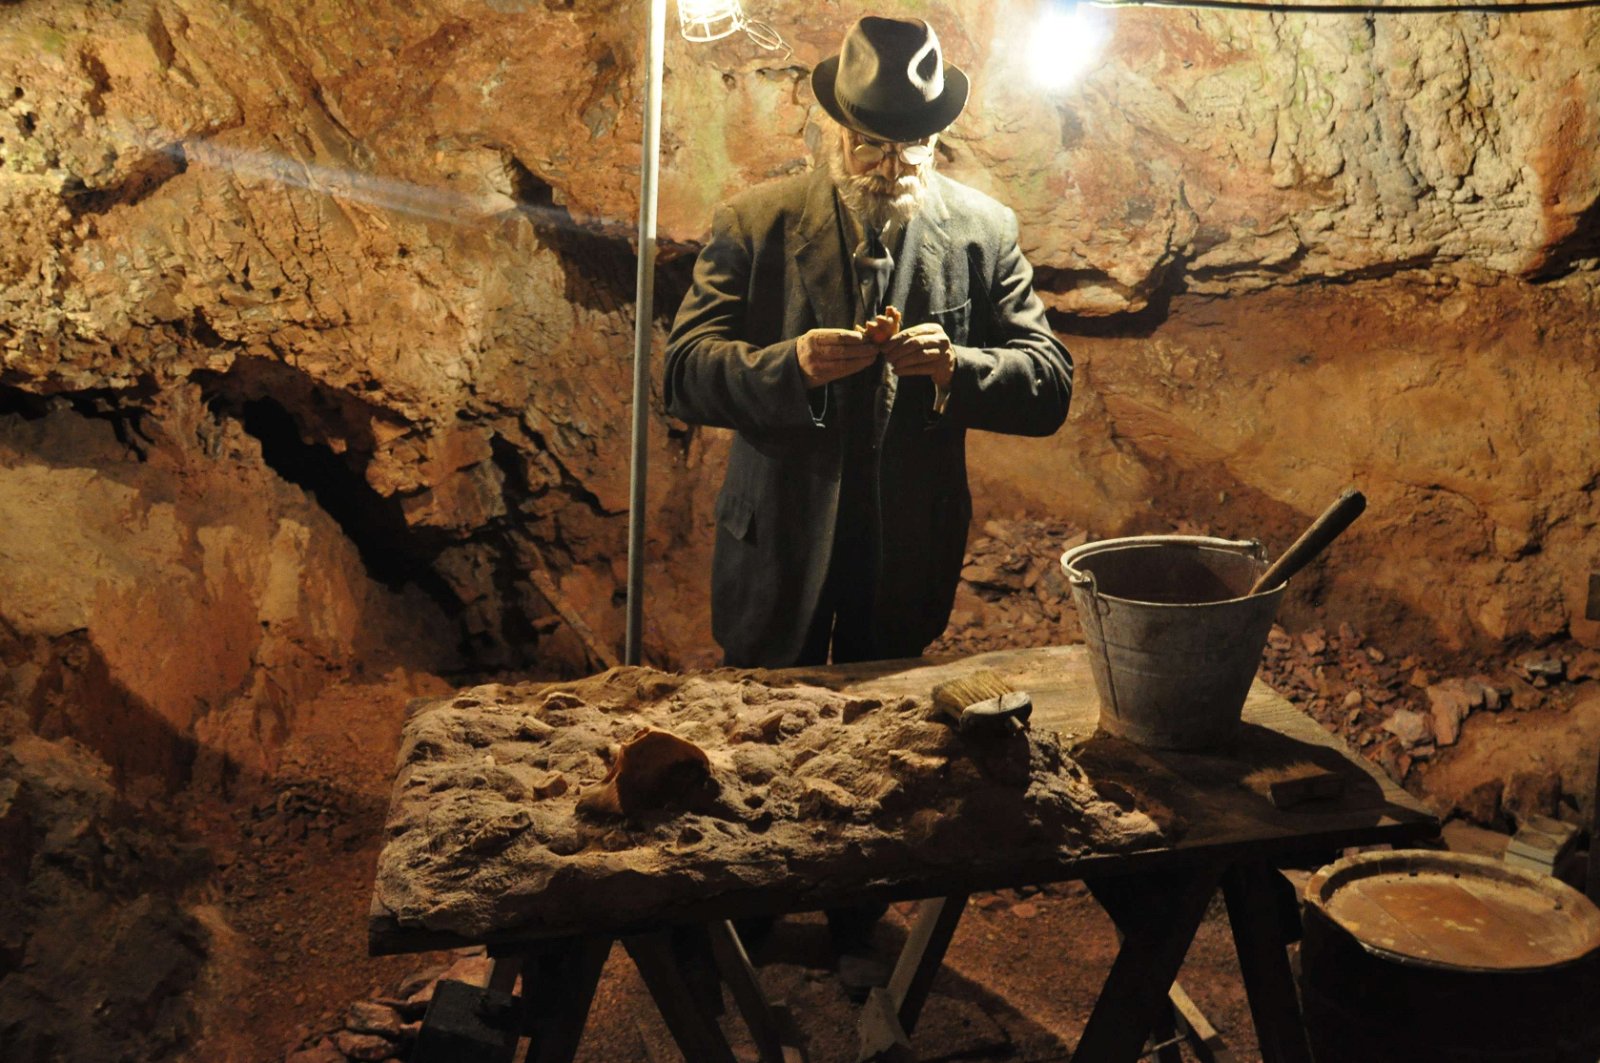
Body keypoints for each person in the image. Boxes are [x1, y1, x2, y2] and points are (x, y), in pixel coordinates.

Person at [665, 15, 1073, 674]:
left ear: (935, 137)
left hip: (903, 555)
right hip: (778, 545)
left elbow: (1050, 384)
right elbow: (683, 372)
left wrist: (954, 369)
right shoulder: (755, 223)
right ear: (833, 135)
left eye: (911, 147)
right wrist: (792, 366)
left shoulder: (984, 232)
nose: (891, 167)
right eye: (870, 147)